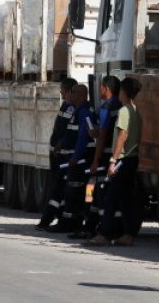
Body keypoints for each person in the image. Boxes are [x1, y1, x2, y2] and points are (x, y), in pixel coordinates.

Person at [88, 77, 142, 247]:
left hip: (122, 160)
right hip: (132, 159)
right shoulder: (136, 111)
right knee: (126, 199)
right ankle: (128, 234)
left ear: (123, 92)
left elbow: (121, 136)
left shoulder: (124, 111)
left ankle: (103, 234)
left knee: (110, 197)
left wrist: (113, 160)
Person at [75, 75, 122, 240]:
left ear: (106, 89)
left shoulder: (106, 107)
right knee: (107, 191)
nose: (99, 90)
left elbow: (101, 136)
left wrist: (95, 161)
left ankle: (99, 226)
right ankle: (98, 225)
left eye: (101, 87)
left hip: (104, 156)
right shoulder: (120, 105)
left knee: (96, 190)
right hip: (117, 156)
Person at [36, 77, 78, 232]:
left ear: (68, 90)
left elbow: (68, 131)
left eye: (62, 89)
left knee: (58, 188)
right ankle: (57, 218)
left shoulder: (72, 109)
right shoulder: (66, 106)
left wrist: (60, 145)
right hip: (57, 153)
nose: (60, 91)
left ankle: (48, 220)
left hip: (63, 155)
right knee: (57, 186)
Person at [63, 84, 97, 236]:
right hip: (82, 161)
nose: (70, 95)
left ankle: (81, 223)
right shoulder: (78, 112)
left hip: (83, 162)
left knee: (84, 193)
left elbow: (83, 138)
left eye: (73, 92)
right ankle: (79, 223)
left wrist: (75, 157)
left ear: (81, 95)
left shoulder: (84, 113)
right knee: (81, 192)